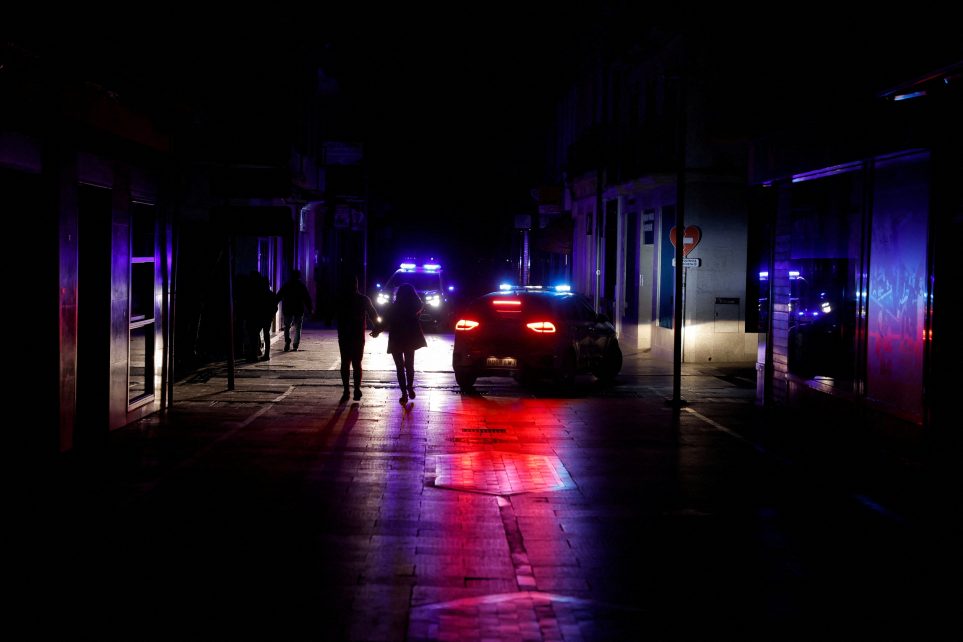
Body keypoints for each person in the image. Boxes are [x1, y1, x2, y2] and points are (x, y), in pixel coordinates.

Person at [373, 283, 427, 404]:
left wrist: (376, 331)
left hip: (396, 338)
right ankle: (410, 387)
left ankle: (403, 394)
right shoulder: (415, 306)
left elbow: (385, 321)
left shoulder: (394, 307)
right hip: (410, 338)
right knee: (409, 364)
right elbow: (421, 305)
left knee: (399, 367)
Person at [335, 273, 379, 402]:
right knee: (357, 363)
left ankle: (346, 390)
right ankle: (357, 389)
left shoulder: (340, 299)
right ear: (356, 284)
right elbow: (373, 315)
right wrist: (377, 328)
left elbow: (330, 314)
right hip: (358, 335)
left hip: (344, 334)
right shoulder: (364, 299)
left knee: (345, 362)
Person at [276, 269, 313, 352]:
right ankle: (295, 345)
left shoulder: (287, 285)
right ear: (299, 276)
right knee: (298, 328)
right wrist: (310, 309)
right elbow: (307, 298)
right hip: (298, 309)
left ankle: (287, 341)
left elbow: (279, 295)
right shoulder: (301, 286)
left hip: (288, 309)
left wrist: (273, 303)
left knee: (287, 327)